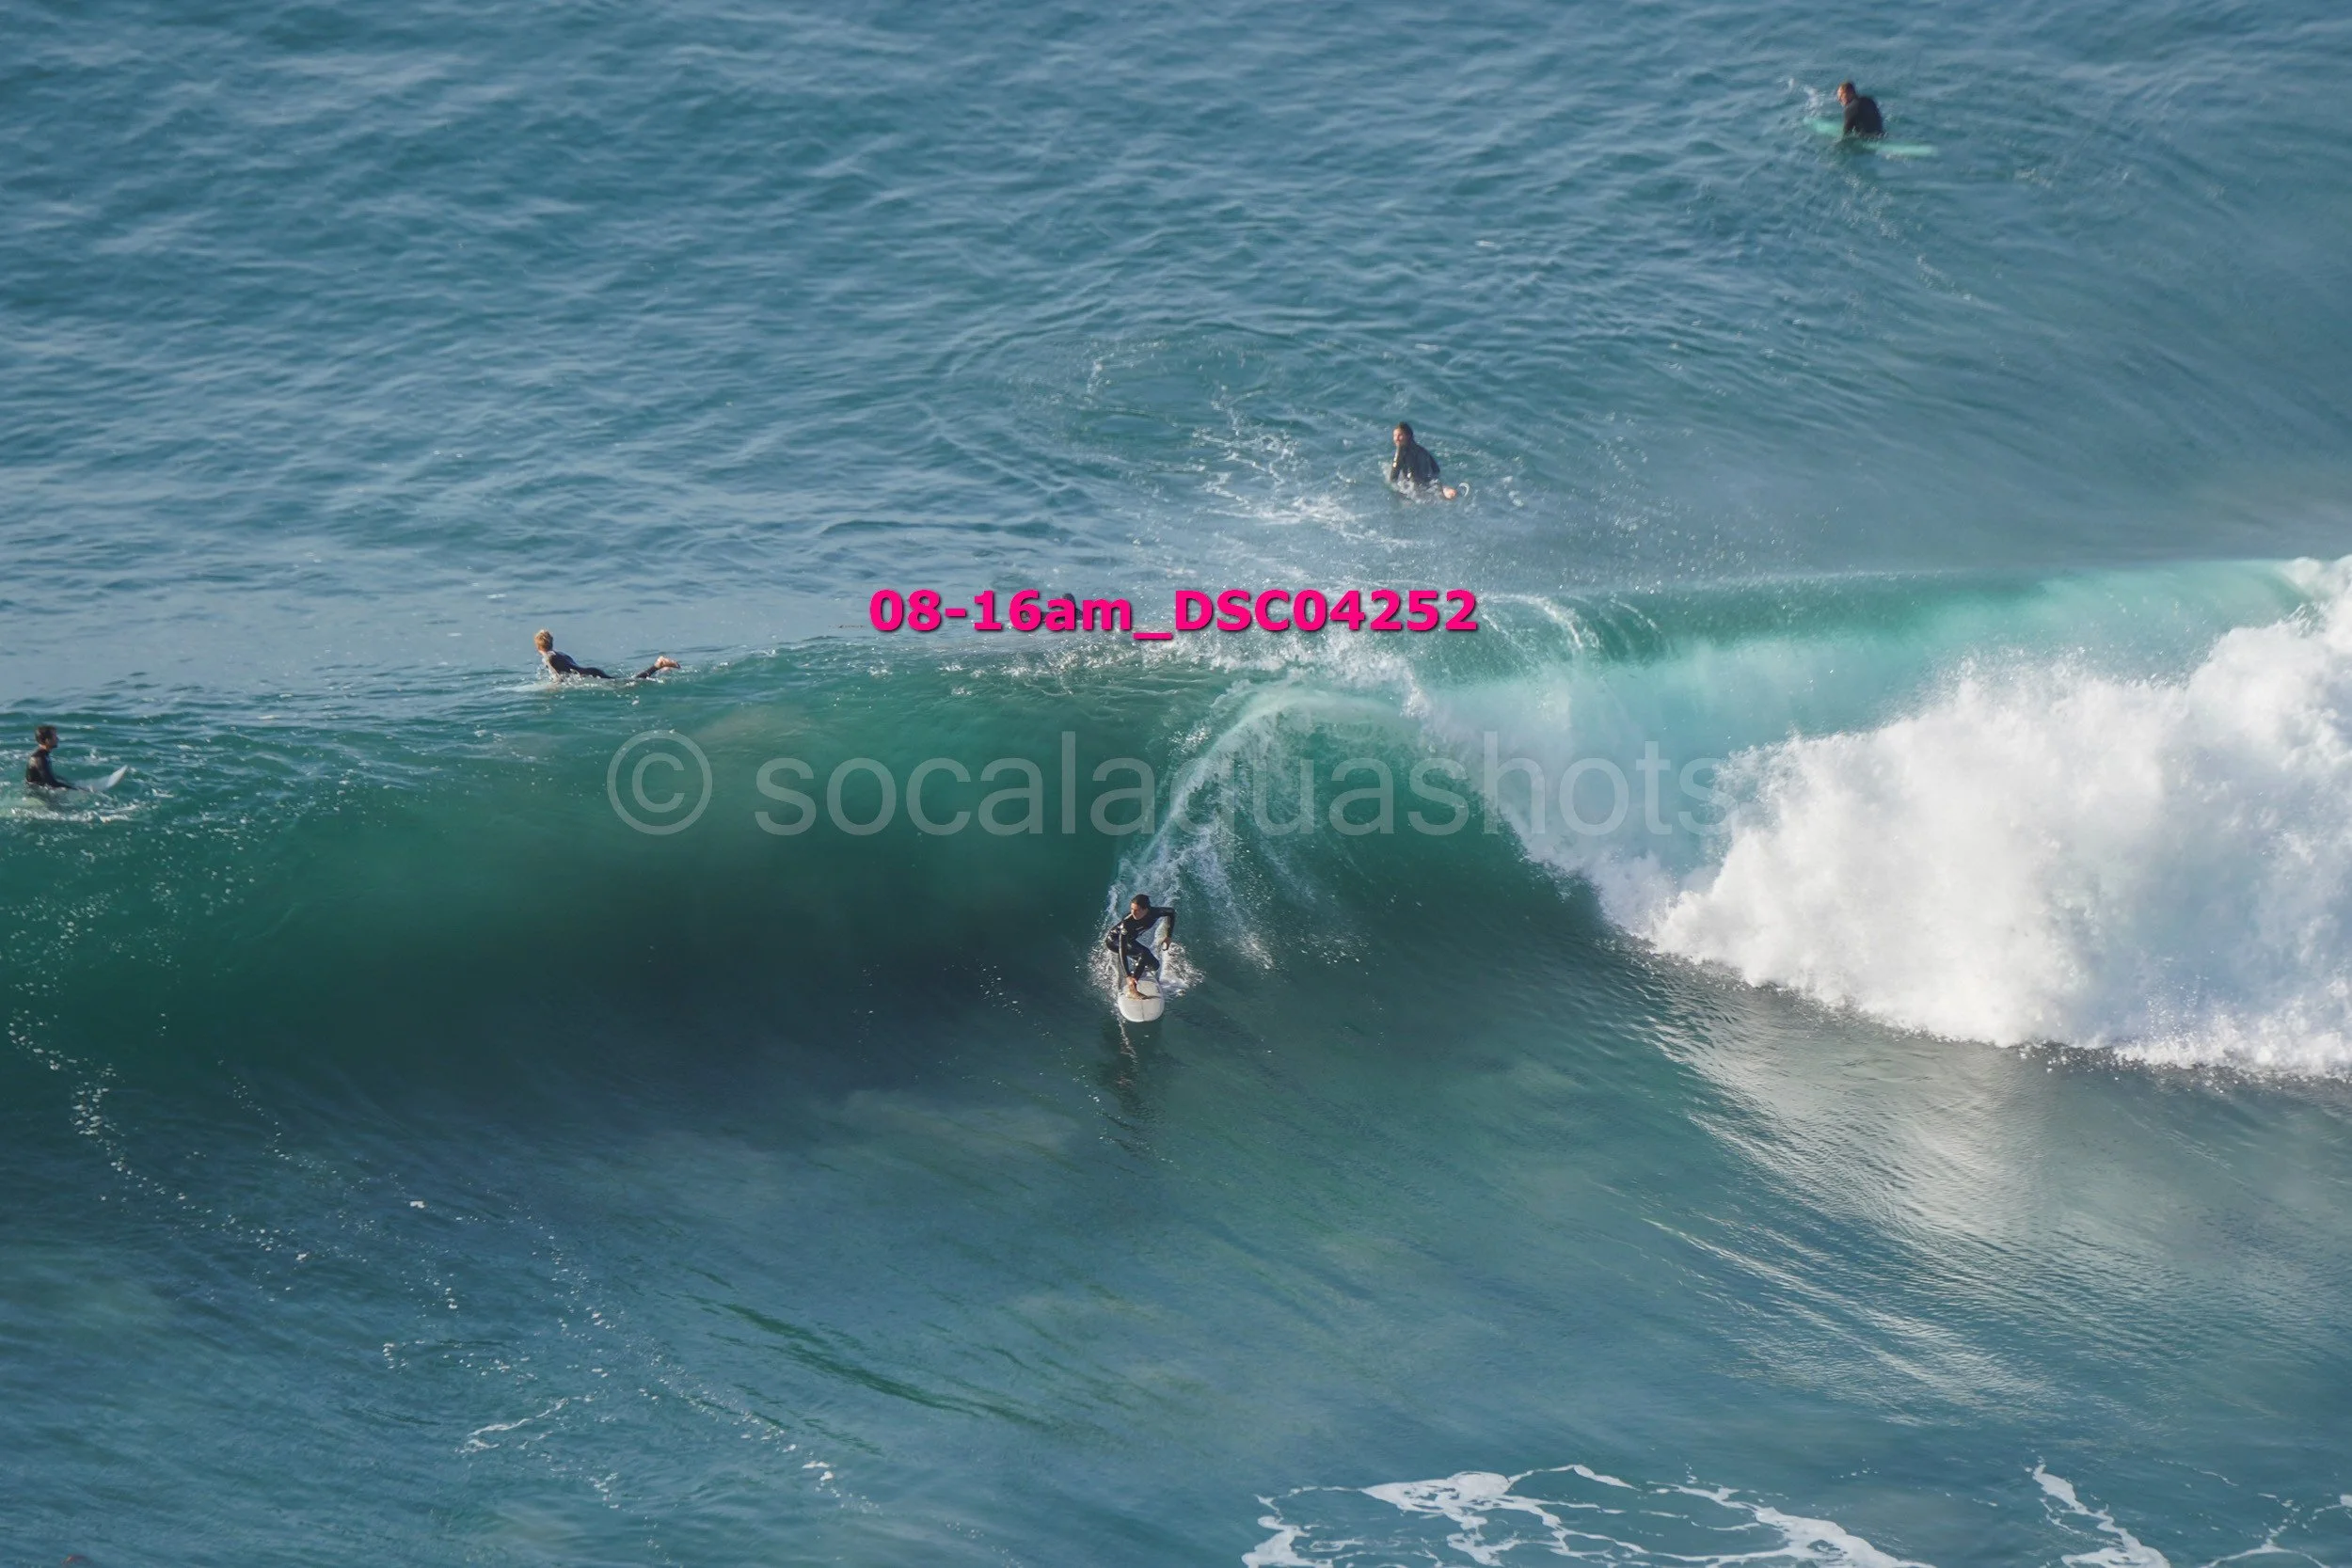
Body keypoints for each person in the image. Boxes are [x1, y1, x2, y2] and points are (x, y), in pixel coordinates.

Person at [1104, 894, 1177, 999]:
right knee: (1144, 953)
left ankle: (1139, 966)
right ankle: (1132, 989)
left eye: (1137, 910)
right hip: (1114, 941)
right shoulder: (1127, 923)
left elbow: (1171, 912)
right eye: (1132, 909)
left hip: (1130, 940)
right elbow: (1122, 949)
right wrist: (1127, 975)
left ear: (1146, 909)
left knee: (1155, 965)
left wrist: (1168, 936)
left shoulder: (1155, 913)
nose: (1133, 913)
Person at [534, 629, 679, 683]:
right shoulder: (560, 654)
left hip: (591, 676)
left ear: (538, 647)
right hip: (592, 671)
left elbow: (558, 678)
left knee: (629, 684)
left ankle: (658, 665)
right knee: (627, 681)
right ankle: (660, 669)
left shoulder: (548, 657)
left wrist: (551, 691)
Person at [1389, 423, 1459, 500]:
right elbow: (1436, 469)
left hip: (1417, 486)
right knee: (1434, 486)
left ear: (1408, 436)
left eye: (1400, 435)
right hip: (1429, 480)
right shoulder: (1422, 450)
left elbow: (1393, 477)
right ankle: (1446, 490)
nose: (1396, 438)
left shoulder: (1401, 451)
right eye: (1395, 436)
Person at [25, 724, 73, 789]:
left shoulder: (44, 754)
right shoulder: (39, 758)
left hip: (41, 789)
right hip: (36, 794)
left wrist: (65, 781)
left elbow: (47, 775)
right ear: (47, 741)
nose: (57, 738)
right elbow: (51, 783)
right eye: (55, 736)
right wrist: (76, 789)